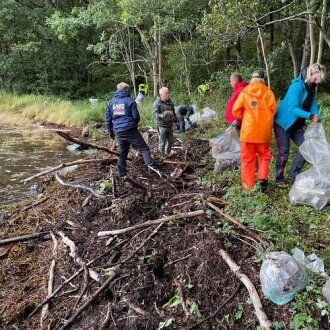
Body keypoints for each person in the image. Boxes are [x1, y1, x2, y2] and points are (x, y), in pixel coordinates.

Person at [274, 63, 326, 185]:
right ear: (311, 74)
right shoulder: (296, 86)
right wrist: (310, 116)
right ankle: (279, 179)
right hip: (284, 123)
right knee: (284, 152)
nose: (316, 82)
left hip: (296, 124)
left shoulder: (311, 88)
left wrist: (317, 115)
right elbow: (292, 109)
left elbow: (312, 104)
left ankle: (293, 175)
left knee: (306, 147)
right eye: (316, 79)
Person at [232, 70, 277, 193]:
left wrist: (245, 118)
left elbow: (236, 111)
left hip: (248, 132)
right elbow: (274, 110)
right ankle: (263, 179)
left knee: (247, 159)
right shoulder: (269, 93)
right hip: (264, 133)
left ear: (252, 79)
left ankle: (248, 187)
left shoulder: (245, 92)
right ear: (262, 79)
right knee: (264, 156)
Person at [105, 82, 157, 177]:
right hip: (130, 130)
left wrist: (111, 133)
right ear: (126, 90)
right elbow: (136, 117)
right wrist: (133, 124)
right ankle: (152, 171)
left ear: (117, 89)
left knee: (122, 153)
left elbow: (108, 120)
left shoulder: (110, 102)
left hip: (119, 132)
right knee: (144, 149)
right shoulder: (130, 101)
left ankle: (121, 174)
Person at [152, 87, 176, 154]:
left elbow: (173, 113)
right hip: (161, 126)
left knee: (171, 141)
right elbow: (155, 114)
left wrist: (176, 121)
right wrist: (162, 115)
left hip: (169, 125)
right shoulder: (157, 103)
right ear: (161, 94)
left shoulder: (170, 102)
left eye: (168, 93)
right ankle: (161, 157)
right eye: (166, 93)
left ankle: (167, 154)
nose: (168, 94)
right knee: (162, 143)